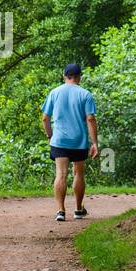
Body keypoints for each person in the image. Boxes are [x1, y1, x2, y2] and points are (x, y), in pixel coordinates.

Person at [40, 63, 98, 222]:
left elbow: (45, 118)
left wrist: (50, 136)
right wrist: (95, 143)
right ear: (80, 76)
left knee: (61, 174)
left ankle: (61, 211)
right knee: (78, 173)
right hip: (79, 141)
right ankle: (78, 210)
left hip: (59, 141)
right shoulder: (85, 94)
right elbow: (91, 119)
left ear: (64, 76)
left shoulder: (54, 92)